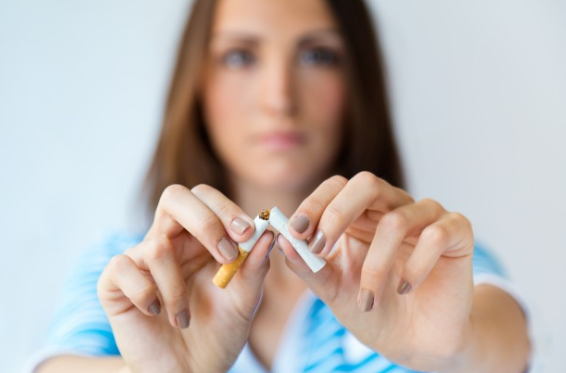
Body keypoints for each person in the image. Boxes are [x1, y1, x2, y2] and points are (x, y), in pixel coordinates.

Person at [29, 0, 532, 372]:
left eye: (317, 56)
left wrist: (452, 349)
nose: (279, 98)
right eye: (240, 57)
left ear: (358, 82)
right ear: (196, 82)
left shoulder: (427, 260)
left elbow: (504, 343)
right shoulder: (128, 269)